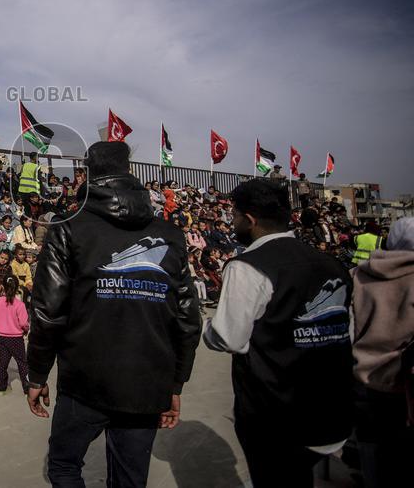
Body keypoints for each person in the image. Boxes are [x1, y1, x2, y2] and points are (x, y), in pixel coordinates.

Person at [27, 141, 201, 488]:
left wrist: (36, 375)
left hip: (84, 381)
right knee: (130, 480)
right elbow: (187, 318)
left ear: (88, 173)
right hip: (147, 382)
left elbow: (48, 311)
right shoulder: (169, 233)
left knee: (63, 468)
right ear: (129, 172)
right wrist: (174, 384)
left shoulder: (69, 226)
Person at [204, 179, 353, 488]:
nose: (231, 222)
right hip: (330, 409)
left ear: (250, 219)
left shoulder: (247, 266)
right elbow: (344, 332)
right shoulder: (332, 265)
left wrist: (204, 328)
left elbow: (229, 337)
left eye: (234, 216)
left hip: (274, 415)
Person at [350, 216, 414, 488]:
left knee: (371, 449)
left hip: (364, 380)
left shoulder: (358, 276)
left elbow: (347, 330)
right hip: (405, 385)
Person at [0, 275, 30, 392]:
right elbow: (24, 323)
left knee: (3, 363)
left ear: (3, 286)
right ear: (17, 287)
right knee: (22, 363)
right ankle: (26, 388)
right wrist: (25, 330)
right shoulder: (20, 305)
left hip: (3, 338)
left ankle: (2, 387)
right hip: (17, 339)